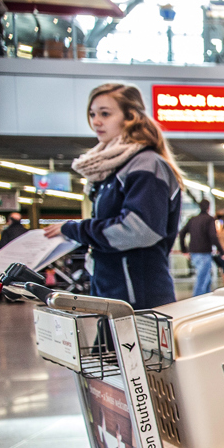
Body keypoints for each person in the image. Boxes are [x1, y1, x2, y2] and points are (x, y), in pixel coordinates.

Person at [44, 83, 182, 308]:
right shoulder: (111, 170)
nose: (96, 121)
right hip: (113, 292)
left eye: (105, 114)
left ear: (130, 117)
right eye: (92, 114)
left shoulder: (146, 165)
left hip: (138, 298)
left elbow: (140, 230)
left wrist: (75, 229)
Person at [179, 199, 219, 296]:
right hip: (204, 252)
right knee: (202, 279)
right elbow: (213, 236)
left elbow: (182, 233)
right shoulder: (209, 219)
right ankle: (197, 301)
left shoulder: (193, 219)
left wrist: (184, 249)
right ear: (209, 208)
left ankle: (206, 299)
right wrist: (221, 250)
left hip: (194, 252)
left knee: (206, 279)